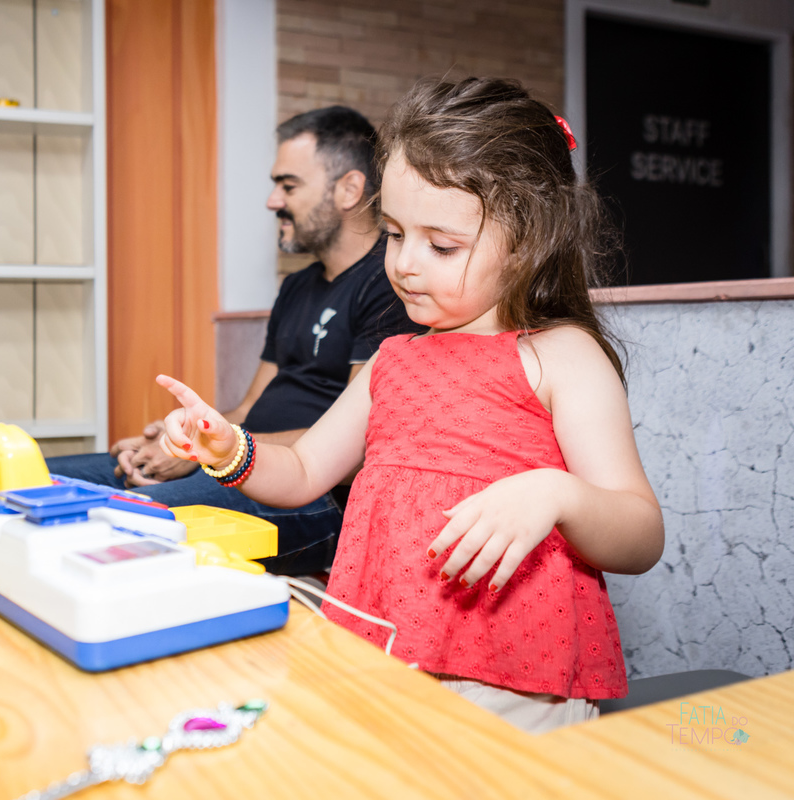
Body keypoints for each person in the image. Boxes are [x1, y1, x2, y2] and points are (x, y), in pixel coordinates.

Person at [153, 77, 665, 733]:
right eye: (394, 235)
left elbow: (640, 533)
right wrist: (230, 449)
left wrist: (556, 493)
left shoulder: (560, 356)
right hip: (379, 658)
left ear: (530, 239)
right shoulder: (394, 359)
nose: (406, 264)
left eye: (441, 244)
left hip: (513, 681)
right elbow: (307, 470)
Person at [47, 105, 420, 575]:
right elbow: (246, 408)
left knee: (116, 519)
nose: (272, 200)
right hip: (239, 457)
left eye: (288, 185)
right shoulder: (296, 287)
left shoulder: (387, 286)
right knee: (36, 481)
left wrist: (210, 455)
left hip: (317, 497)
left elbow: (357, 446)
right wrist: (178, 438)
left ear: (349, 189)